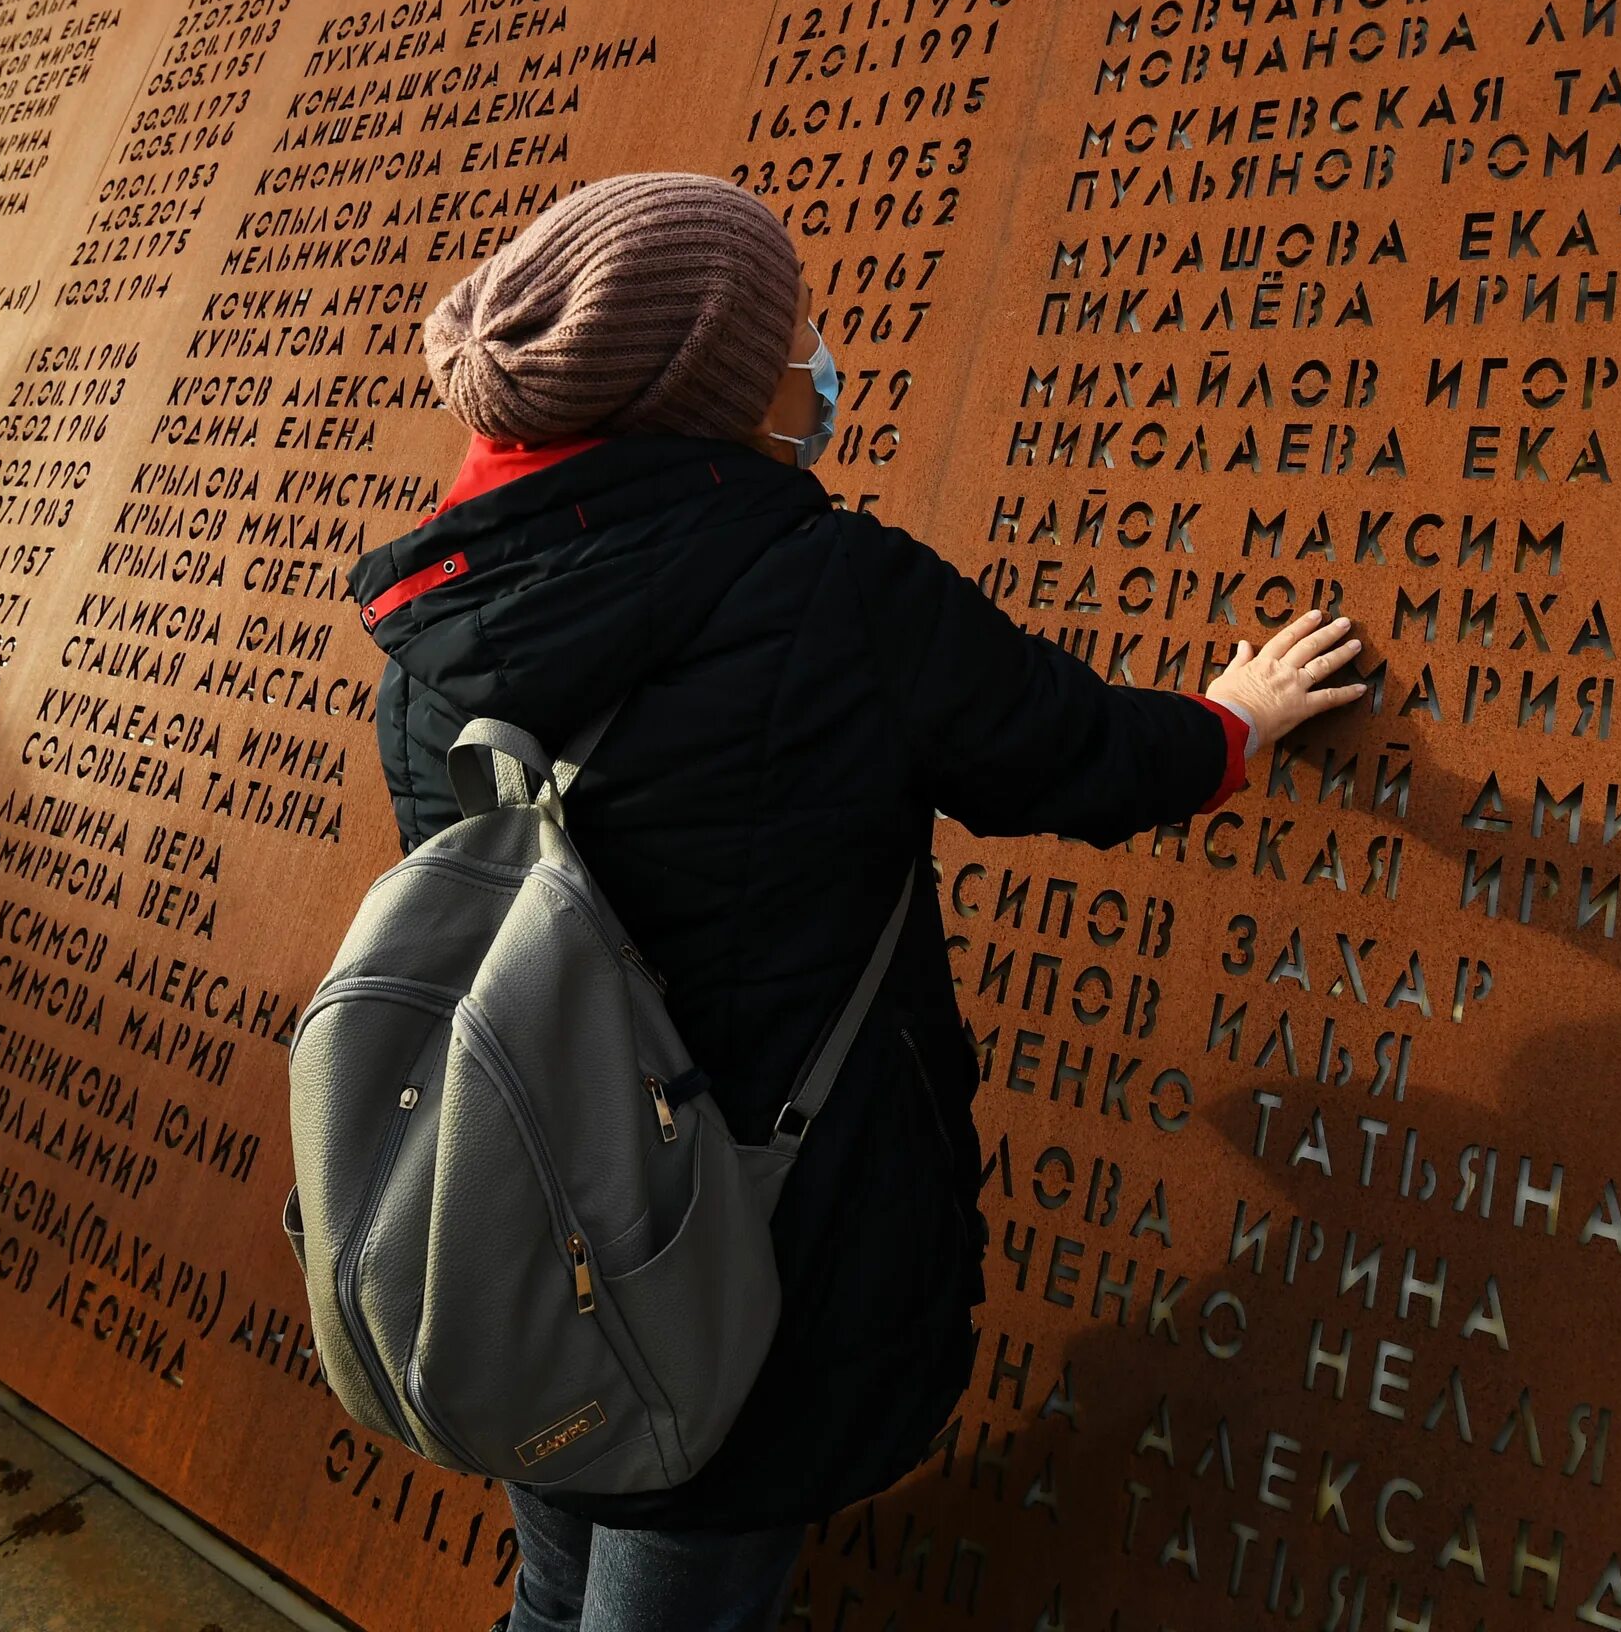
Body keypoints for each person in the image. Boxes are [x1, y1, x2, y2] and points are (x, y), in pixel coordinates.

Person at [344, 172, 1366, 1632]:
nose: (814, 353)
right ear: (710, 377)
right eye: (791, 329)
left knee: (559, 1562)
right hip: (764, 1240)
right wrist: (1233, 726)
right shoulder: (829, 590)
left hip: (526, 1211)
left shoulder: (425, 641)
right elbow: (1070, 755)